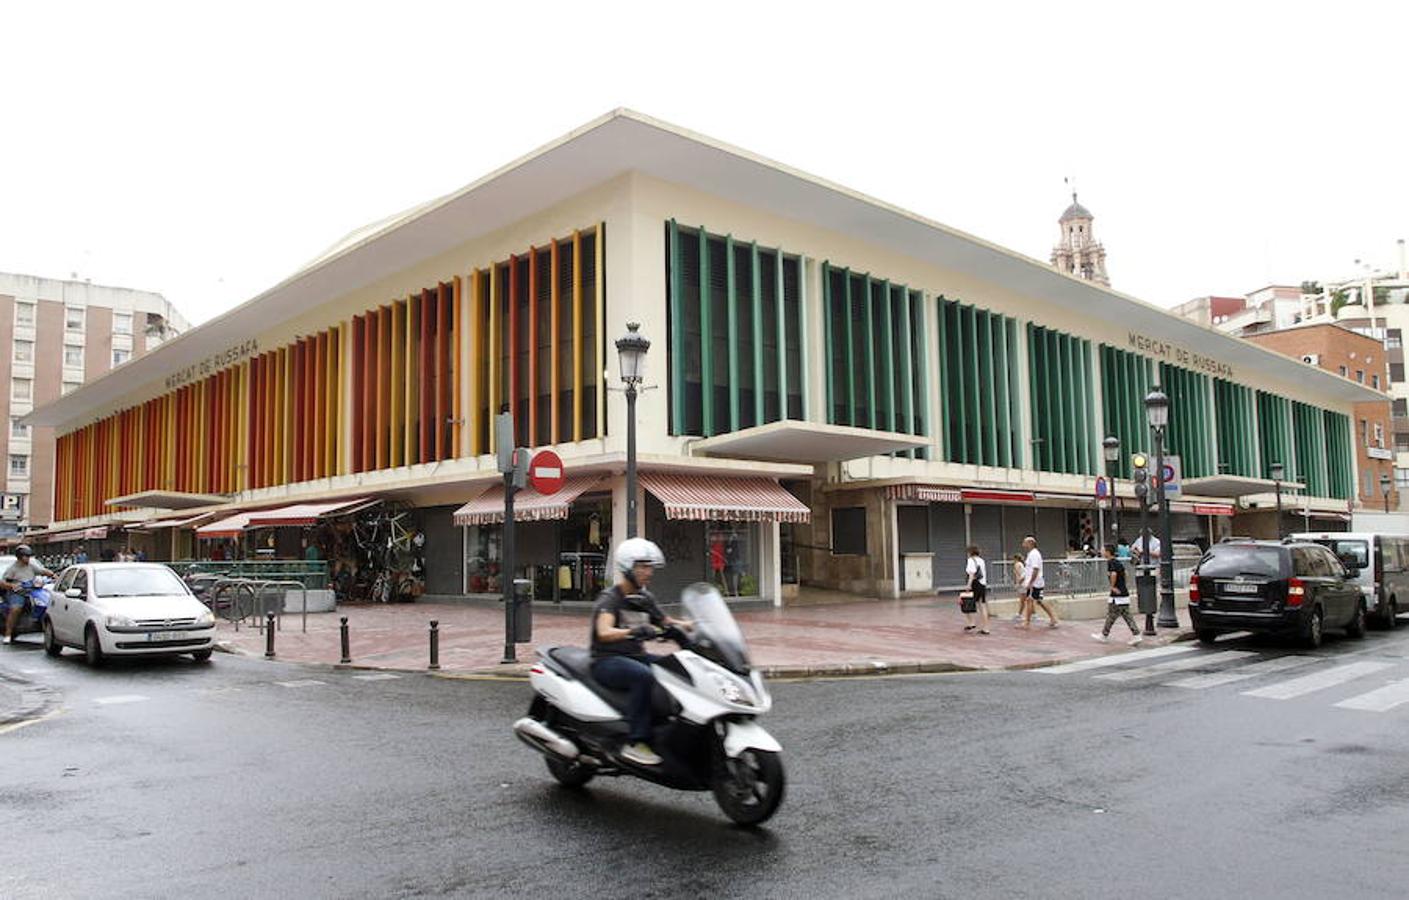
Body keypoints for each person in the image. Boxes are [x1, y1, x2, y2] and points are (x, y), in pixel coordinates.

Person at [589, 537, 690, 767]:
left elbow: (665, 621)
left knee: (676, 667)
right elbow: (603, 632)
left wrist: (692, 625)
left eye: (650, 566)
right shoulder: (611, 599)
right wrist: (634, 631)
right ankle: (636, 742)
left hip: (635, 656)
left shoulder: (645, 598)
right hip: (607, 659)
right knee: (642, 676)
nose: (649, 572)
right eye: (642, 566)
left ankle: (667, 730)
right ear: (627, 568)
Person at [2, 545, 55, 645]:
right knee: (15, 609)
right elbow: (3, 582)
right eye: (26, 556)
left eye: (28, 556)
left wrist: (54, 575)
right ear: (20, 557)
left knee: (47, 603)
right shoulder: (12, 569)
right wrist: (12, 586)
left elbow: (42, 571)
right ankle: (8, 634)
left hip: (33, 591)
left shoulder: (31, 566)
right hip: (18, 593)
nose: (28, 558)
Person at [1093, 544, 1142, 646]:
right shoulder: (1118, 562)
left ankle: (1104, 635)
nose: (1101, 552)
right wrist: (1123, 585)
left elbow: (1114, 574)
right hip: (1123, 593)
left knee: (1113, 615)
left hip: (1117, 596)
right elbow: (1126, 573)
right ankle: (1135, 635)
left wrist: (1112, 586)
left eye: (1102, 550)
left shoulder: (1111, 563)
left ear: (1107, 552)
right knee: (1122, 615)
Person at [1018, 535, 1059, 629]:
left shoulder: (1034, 554)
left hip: (1035, 583)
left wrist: (1031, 582)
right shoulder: (1031, 554)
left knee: (1030, 600)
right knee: (1038, 601)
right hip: (1034, 582)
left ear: (1031, 543)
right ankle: (1053, 619)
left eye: (1025, 542)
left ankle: (1027, 623)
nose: (1023, 544)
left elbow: (1035, 569)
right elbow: (1029, 569)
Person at [961, 545, 990, 635]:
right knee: (982, 606)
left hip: (975, 584)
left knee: (965, 602)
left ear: (970, 552)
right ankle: (986, 628)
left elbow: (971, 574)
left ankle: (971, 622)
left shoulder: (970, 560)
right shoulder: (981, 560)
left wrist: (968, 585)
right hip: (982, 584)